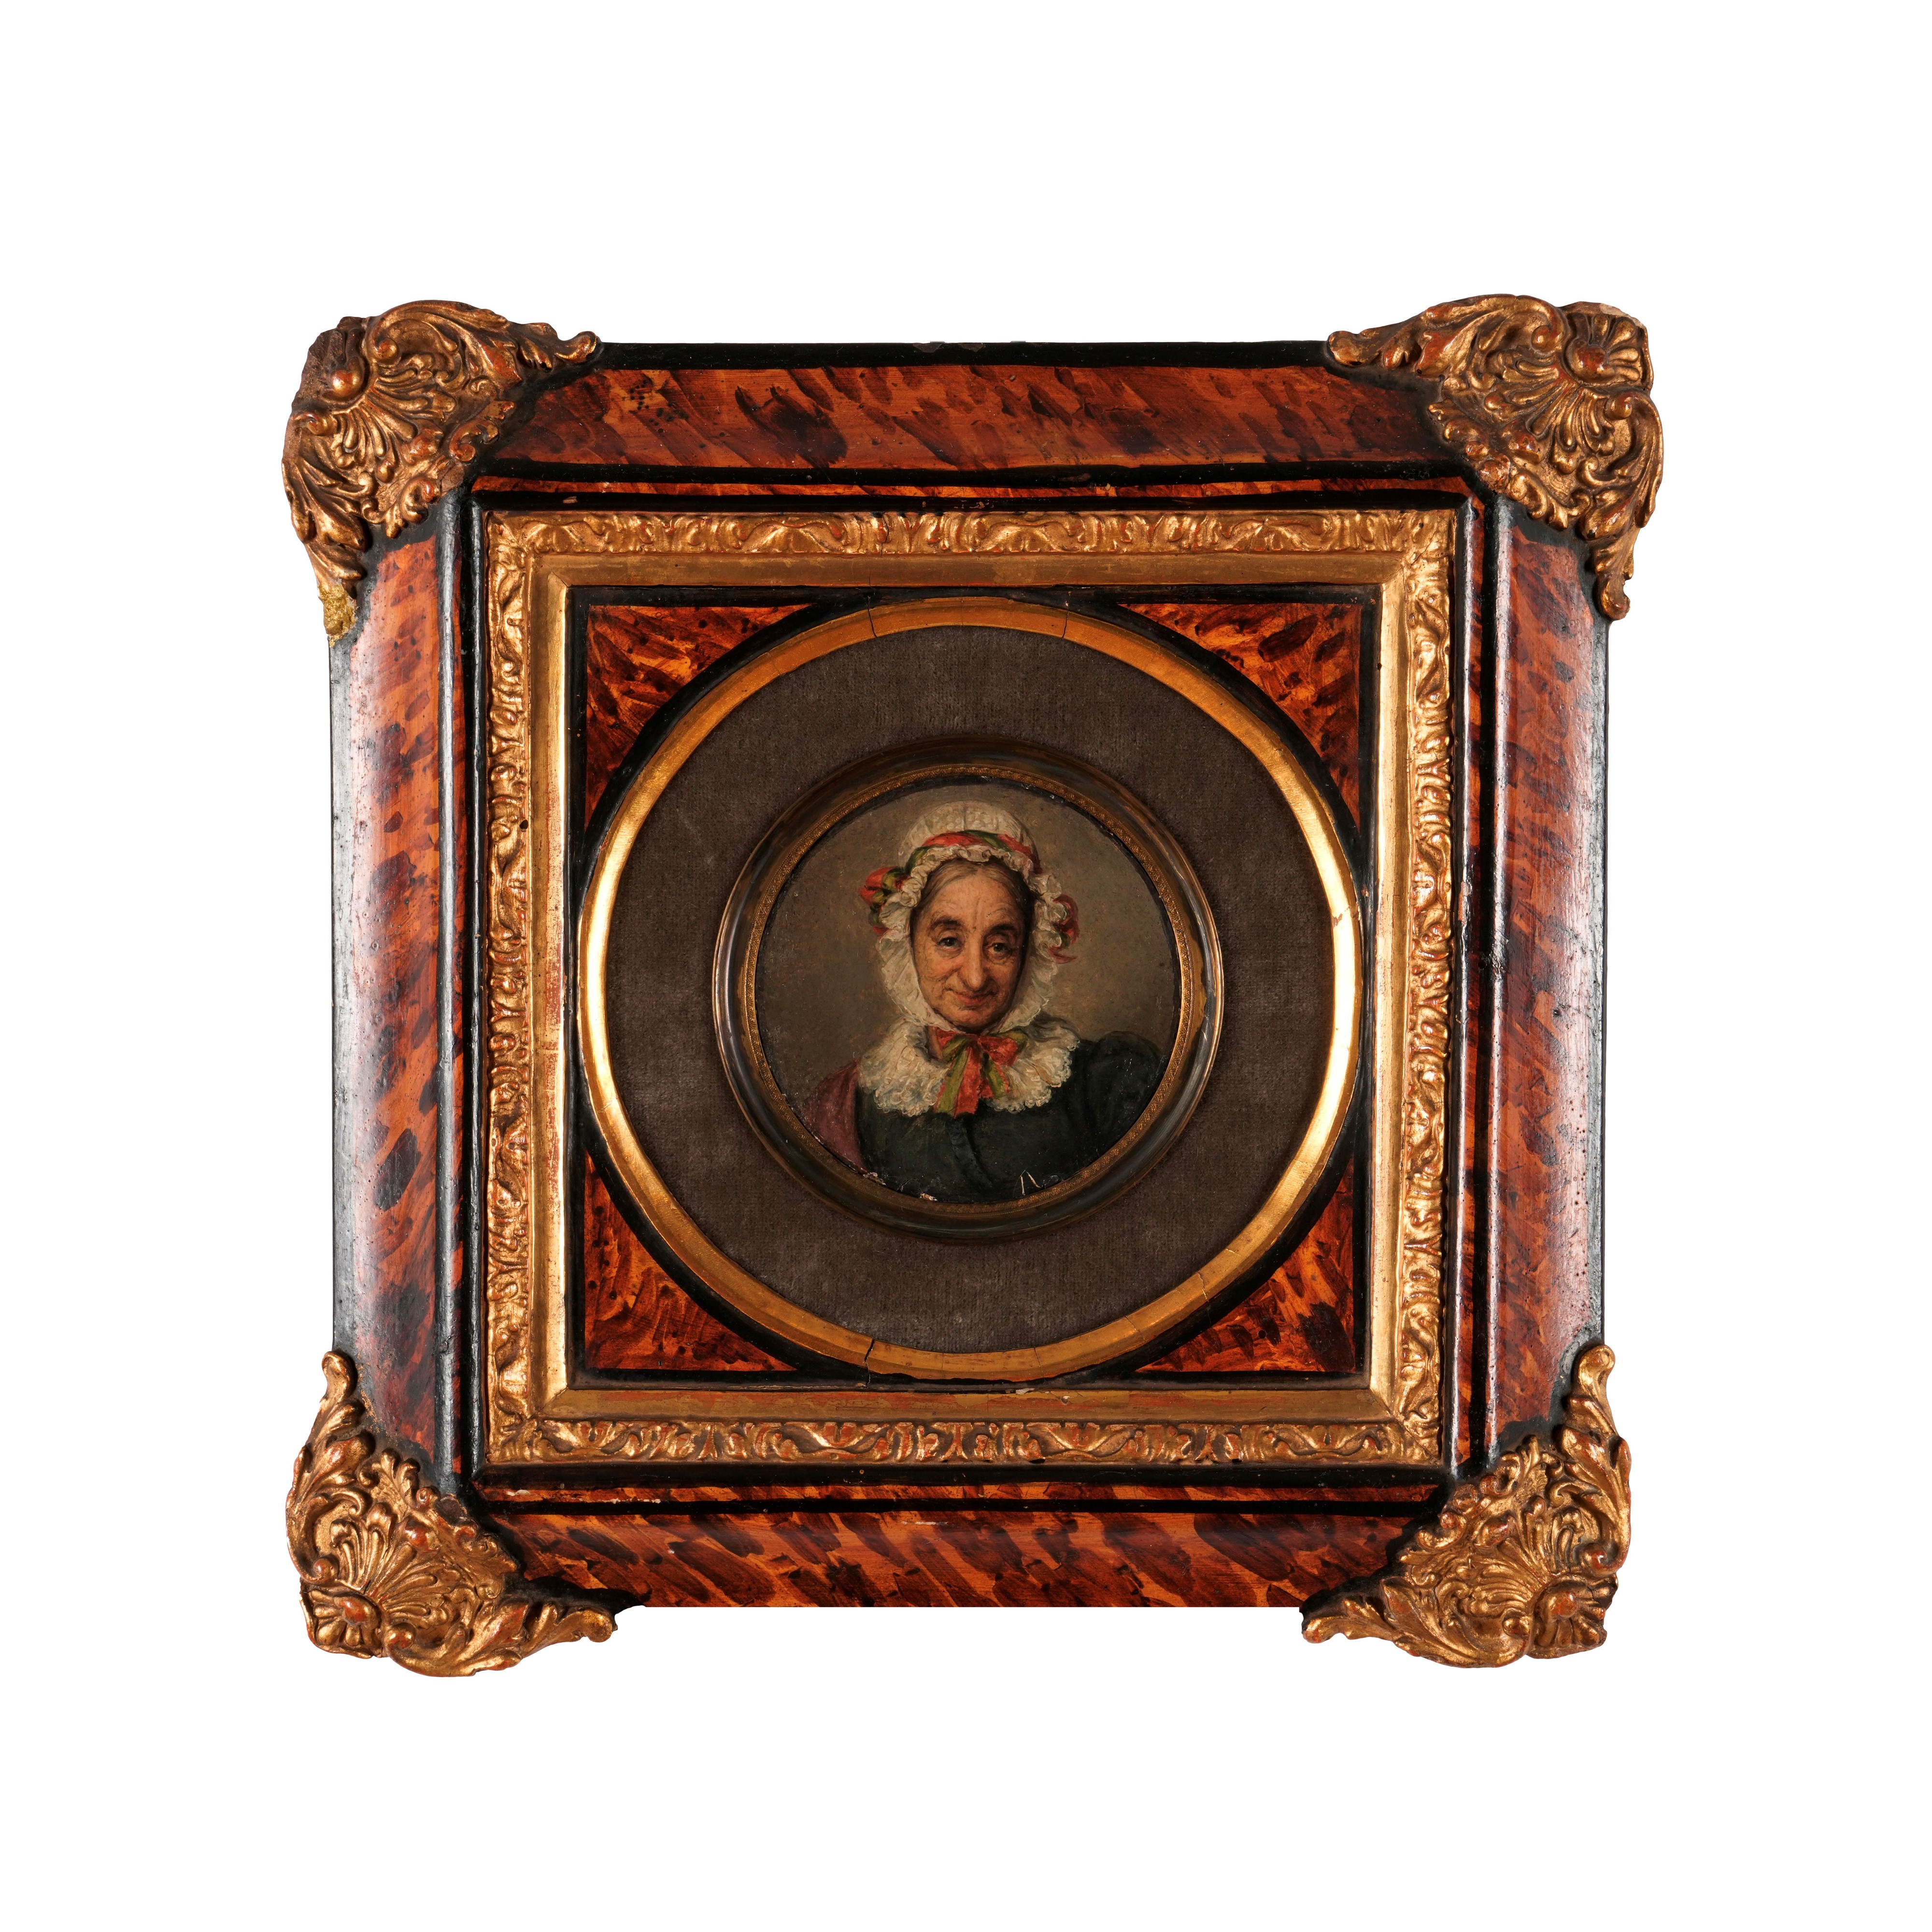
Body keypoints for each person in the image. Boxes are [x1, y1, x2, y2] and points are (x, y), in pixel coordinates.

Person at [801, 801, 1162, 1204]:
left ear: (1029, 952)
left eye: (999, 946)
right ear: (907, 940)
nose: (975, 977)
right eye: (949, 941)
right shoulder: (848, 1104)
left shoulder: (1107, 1082)